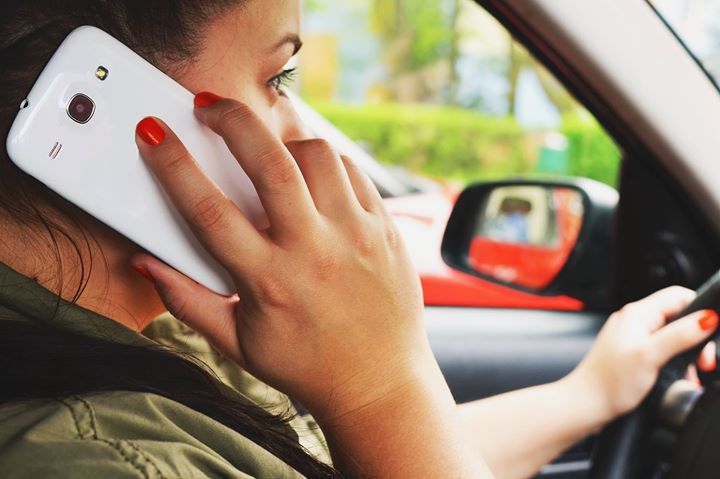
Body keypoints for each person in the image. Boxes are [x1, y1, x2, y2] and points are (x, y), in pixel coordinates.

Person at [0, 1, 717, 478]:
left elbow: (378, 455)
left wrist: (589, 392)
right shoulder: (99, 458)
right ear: (121, 100)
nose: (306, 136)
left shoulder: (162, 329)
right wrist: (382, 382)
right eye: (276, 76)